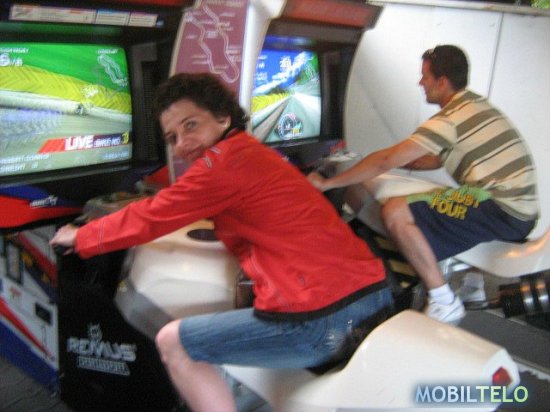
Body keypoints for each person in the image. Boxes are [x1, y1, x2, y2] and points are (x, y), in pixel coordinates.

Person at [50, 72, 392, 412]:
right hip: (371, 297)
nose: (183, 143)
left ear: (223, 118)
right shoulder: (251, 152)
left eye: (191, 125)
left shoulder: (222, 164)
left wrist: (81, 235)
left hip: (320, 319)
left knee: (175, 343)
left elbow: (153, 214)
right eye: (172, 137)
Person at [308, 45, 539, 324]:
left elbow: (385, 161)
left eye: (425, 77)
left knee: (395, 210)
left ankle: (442, 299)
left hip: (501, 209)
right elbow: (431, 160)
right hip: (518, 209)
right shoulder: (475, 105)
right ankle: (473, 287)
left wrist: (329, 182)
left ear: (442, 82)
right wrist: (387, 163)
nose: (420, 83)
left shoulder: (450, 119)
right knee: (453, 196)